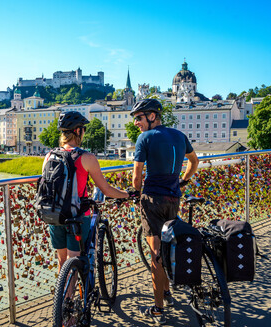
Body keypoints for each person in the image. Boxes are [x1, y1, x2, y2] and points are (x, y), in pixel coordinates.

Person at [131, 99, 199, 325]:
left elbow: (137, 176)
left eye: (138, 118)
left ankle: (158, 308)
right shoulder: (179, 136)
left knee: (156, 256)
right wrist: (183, 181)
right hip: (173, 198)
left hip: (152, 200)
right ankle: (168, 292)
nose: (136, 123)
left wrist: (136, 193)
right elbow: (194, 161)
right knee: (168, 245)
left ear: (152, 116)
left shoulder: (145, 138)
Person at [44, 111, 133, 271]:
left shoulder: (50, 155)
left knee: (62, 260)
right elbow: (105, 189)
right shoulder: (87, 157)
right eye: (83, 129)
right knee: (74, 260)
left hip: (54, 214)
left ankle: (63, 296)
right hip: (77, 215)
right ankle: (73, 295)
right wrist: (127, 194)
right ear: (78, 131)